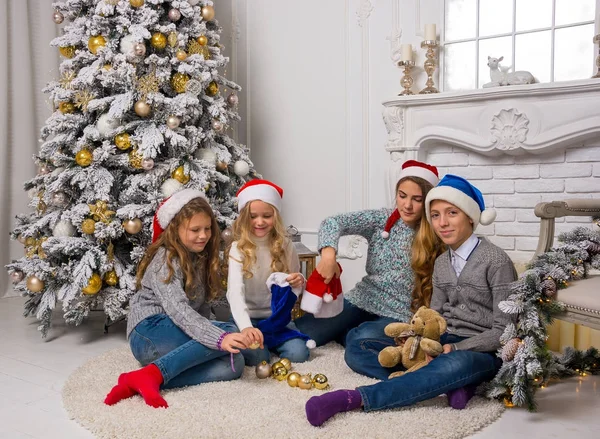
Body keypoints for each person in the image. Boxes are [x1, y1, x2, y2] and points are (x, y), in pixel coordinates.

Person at [305, 174, 518, 426]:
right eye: (436, 215)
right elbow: (435, 316)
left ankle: (354, 398)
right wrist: (417, 338)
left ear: (470, 216)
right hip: (445, 340)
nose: (442, 223)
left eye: (451, 213)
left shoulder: (496, 261)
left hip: (479, 350)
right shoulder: (442, 262)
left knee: (453, 363)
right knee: (356, 349)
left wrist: (457, 348)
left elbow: (505, 331)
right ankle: (450, 385)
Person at [104, 189, 247, 409]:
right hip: (149, 332)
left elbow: (201, 311)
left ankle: (145, 378)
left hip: (175, 334)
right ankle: (153, 372)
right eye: (195, 229)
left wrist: (218, 338)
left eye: (207, 228)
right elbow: (179, 310)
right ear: (175, 230)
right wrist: (219, 338)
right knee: (228, 334)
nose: (203, 235)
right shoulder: (166, 259)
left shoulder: (202, 256)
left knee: (234, 364)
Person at [295, 160, 442, 360]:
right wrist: (328, 255)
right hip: (364, 297)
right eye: (402, 196)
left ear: (427, 200)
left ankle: (351, 331)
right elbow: (333, 222)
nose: (407, 205)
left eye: (416, 199)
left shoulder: (437, 230)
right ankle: (346, 328)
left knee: (360, 340)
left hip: (400, 311)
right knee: (303, 332)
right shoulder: (381, 219)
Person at [226, 179, 311, 366]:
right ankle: (262, 343)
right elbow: (235, 293)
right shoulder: (237, 249)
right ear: (243, 217)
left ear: (276, 216)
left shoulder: (286, 245)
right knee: (258, 358)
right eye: (253, 216)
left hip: (277, 318)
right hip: (247, 318)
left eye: (266, 215)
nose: (260, 222)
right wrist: (246, 327)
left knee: (299, 354)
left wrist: (298, 281)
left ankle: (273, 340)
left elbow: (294, 279)